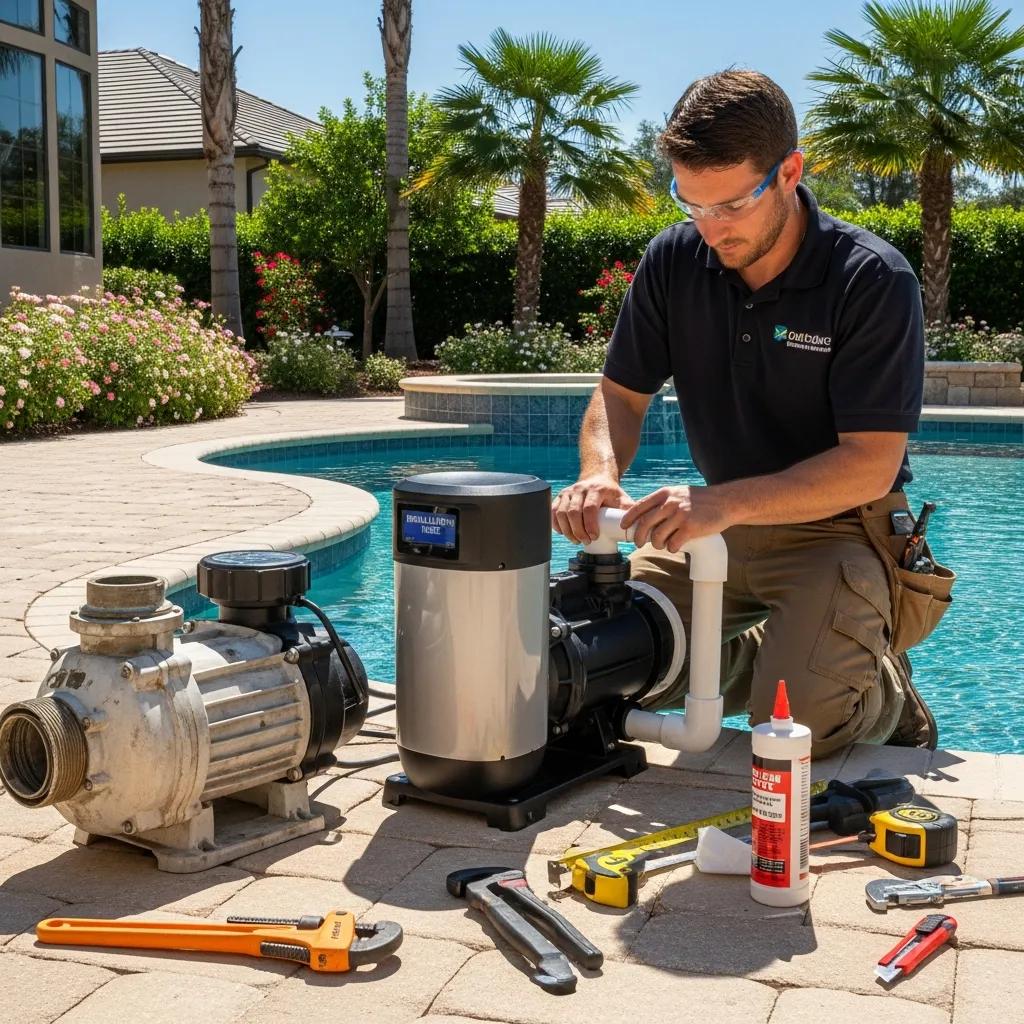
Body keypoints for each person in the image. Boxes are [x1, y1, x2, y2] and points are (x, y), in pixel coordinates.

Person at [551, 70, 935, 757]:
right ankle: (786, 650)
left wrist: (721, 504)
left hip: (836, 531)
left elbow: (871, 465)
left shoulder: (873, 279)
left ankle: (880, 689)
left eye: (731, 205)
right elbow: (619, 395)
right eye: (691, 203)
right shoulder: (673, 260)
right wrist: (599, 470)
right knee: (581, 650)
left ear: (790, 171)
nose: (709, 227)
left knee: (791, 731)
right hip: (712, 529)